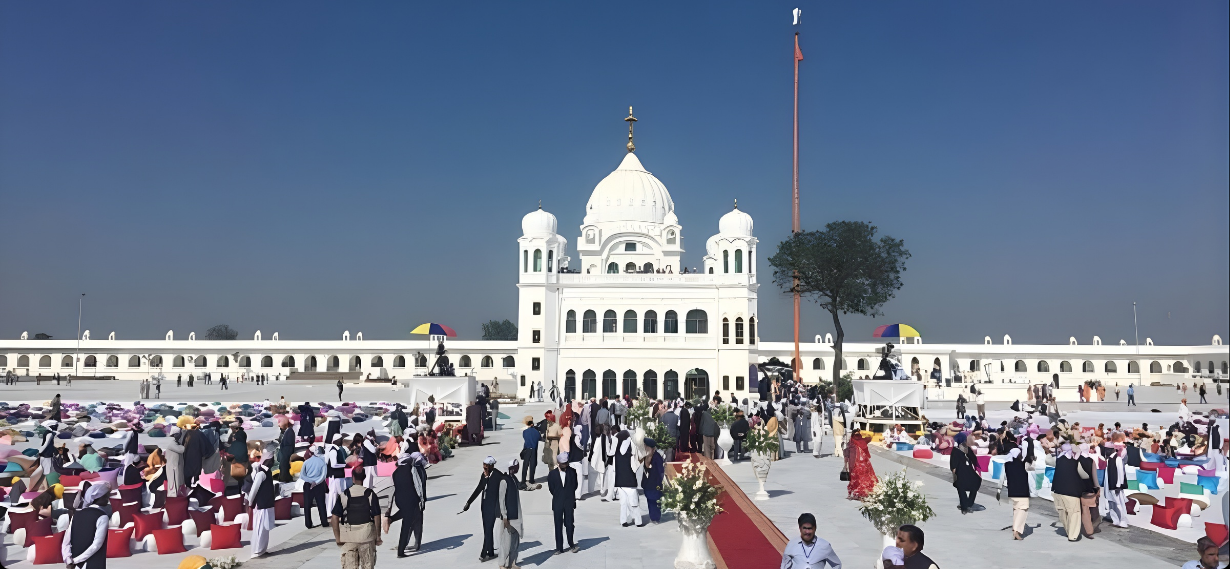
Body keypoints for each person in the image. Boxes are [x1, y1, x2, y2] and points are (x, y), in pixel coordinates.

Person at [331, 466, 383, 569]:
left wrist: (338, 538)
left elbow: (334, 517)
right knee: (368, 565)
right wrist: (378, 536)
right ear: (364, 477)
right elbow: (377, 516)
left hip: (349, 537)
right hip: (366, 536)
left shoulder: (344, 495)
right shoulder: (370, 494)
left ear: (353, 478)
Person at [461, 456, 503, 562]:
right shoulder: (484, 475)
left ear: (491, 466)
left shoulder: (498, 476)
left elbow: (505, 489)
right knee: (487, 530)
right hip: (484, 507)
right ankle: (491, 552)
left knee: (488, 530)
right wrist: (468, 503)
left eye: (486, 467)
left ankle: (483, 554)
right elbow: (479, 488)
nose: (484, 469)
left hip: (493, 507)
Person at [61, 482, 111, 569]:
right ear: (97, 497)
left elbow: (66, 541)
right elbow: (96, 545)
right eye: (105, 496)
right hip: (93, 565)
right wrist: (76, 560)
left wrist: (69, 560)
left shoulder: (76, 515)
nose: (108, 498)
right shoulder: (102, 516)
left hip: (74, 566)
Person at [388, 452, 426, 557]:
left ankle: (392, 518)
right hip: (411, 500)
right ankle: (401, 551)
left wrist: (389, 507)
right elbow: (418, 485)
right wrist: (421, 500)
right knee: (406, 525)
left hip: (399, 500)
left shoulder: (395, 473)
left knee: (406, 516)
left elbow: (392, 490)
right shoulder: (412, 469)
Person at [547, 452, 579, 555]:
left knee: (569, 524)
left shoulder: (572, 472)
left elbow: (575, 485)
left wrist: (568, 496)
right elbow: (551, 488)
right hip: (558, 503)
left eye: (566, 463)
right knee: (558, 525)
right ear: (558, 463)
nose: (566, 465)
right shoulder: (552, 474)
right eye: (563, 463)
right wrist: (559, 495)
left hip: (569, 502)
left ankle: (571, 544)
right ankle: (559, 548)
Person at [247, 449, 277, 557]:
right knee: (260, 528)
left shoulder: (266, 472)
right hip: (261, 505)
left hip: (267, 504)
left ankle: (262, 549)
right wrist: (250, 503)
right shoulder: (261, 473)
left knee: (265, 529)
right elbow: (253, 490)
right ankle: (257, 551)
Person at [1050, 444, 1083, 541]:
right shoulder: (1075, 462)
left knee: (1063, 514)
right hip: (1071, 492)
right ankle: (1072, 535)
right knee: (1074, 514)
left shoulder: (1059, 460)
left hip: (1058, 491)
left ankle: (1068, 531)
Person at [613, 429, 645, 527]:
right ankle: (638, 521)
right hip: (629, 479)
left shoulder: (616, 449)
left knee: (623, 503)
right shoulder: (631, 448)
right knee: (634, 502)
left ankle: (623, 521)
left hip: (619, 480)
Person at [497, 458, 523, 569]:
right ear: (511, 467)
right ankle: (502, 564)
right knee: (506, 542)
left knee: (515, 541)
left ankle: (512, 562)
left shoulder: (513, 478)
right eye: (516, 467)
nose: (518, 468)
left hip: (516, 515)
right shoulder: (504, 481)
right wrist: (504, 516)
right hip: (508, 517)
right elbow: (501, 500)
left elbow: (521, 486)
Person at [1003, 443, 1032, 539]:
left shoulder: (1007, 463)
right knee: (1023, 509)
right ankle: (1017, 530)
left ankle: (1015, 526)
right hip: (1022, 491)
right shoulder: (1022, 463)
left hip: (1012, 490)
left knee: (1016, 509)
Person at [949, 432, 980, 513]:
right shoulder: (967, 449)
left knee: (961, 487)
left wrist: (955, 475)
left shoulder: (955, 450)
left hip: (961, 472)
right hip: (969, 472)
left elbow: (953, 466)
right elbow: (974, 460)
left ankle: (965, 505)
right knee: (976, 481)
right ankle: (969, 503)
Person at [300, 444, 329, 529]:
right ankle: (324, 522)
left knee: (307, 505)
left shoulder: (306, 462)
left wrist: (310, 481)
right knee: (321, 504)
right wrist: (316, 482)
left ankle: (308, 524)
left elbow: (302, 475)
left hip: (308, 485)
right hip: (319, 485)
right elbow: (323, 476)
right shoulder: (322, 462)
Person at [845, 430, 877, 500]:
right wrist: (862, 433)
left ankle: (857, 493)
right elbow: (870, 437)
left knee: (856, 479)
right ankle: (862, 493)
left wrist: (845, 465)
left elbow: (846, 455)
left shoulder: (850, 443)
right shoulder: (863, 441)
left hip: (856, 465)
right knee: (862, 479)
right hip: (862, 465)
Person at [642, 437, 665, 523]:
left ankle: (655, 518)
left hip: (654, 483)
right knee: (652, 501)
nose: (644, 447)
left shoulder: (657, 457)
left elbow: (660, 471)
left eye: (645, 446)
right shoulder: (647, 456)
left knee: (654, 501)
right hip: (649, 484)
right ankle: (654, 517)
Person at [520, 416, 542, 488]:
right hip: (534, 449)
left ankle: (523, 480)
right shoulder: (536, 432)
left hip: (527, 449)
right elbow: (539, 438)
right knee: (533, 464)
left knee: (525, 465)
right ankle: (531, 479)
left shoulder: (525, 432)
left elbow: (525, 439)